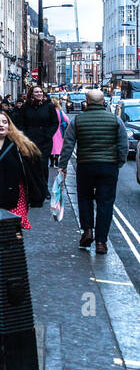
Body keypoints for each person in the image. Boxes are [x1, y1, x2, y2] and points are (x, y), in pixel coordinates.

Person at [58, 89, 128, 254]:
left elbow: (68, 144)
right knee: (106, 203)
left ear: (86, 102)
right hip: (108, 166)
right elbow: (123, 144)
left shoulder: (78, 120)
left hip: (85, 165)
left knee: (84, 198)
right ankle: (101, 242)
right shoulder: (115, 119)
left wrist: (63, 165)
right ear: (104, 102)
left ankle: (87, 230)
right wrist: (119, 162)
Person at [14, 85, 59, 185]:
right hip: (29, 141)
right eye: (36, 92)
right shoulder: (26, 107)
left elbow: (55, 122)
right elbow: (20, 122)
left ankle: (44, 187)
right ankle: (32, 188)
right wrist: (24, 136)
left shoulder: (49, 106)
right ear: (32, 94)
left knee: (43, 165)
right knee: (31, 164)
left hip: (44, 141)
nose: (39, 94)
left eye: (40, 92)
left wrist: (48, 134)